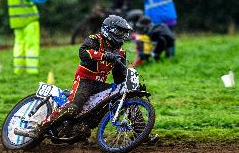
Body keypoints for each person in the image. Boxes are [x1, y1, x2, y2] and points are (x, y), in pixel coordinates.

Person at [15, 15, 158, 143]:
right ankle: (38, 128)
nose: (122, 36)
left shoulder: (121, 52)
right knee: (73, 107)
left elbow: (119, 77)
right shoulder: (95, 39)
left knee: (124, 97)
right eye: (119, 32)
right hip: (84, 81)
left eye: (124, 32)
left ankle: (141, 134)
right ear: (109, 30)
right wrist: (104, 56)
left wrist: (131, 85)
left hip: (99, 84)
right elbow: (83, 53)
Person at [4, 0, 62, 74]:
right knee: (31, 45)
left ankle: (18, 71)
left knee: (19, 46)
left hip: (16, 22)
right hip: (29, 21)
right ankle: (32, 71)